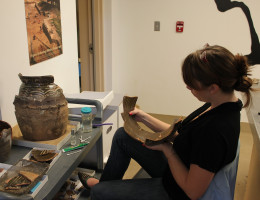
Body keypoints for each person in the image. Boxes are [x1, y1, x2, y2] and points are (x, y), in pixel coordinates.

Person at [78, 44, 254, 200]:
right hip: (182, 163)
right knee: (122, 136)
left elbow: (192, 192)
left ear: (213, 88)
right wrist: (143, 117)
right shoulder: (221, 104)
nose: (188, 87)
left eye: (192, 85)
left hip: (178, 190)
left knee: (99, 193)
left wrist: (168, 151)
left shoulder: (215, 131)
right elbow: (181, 135)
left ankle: (101, 189)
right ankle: (106, 185)